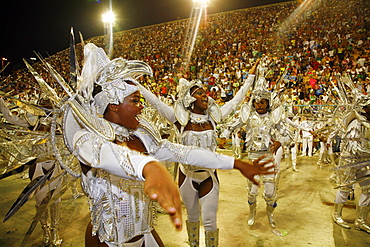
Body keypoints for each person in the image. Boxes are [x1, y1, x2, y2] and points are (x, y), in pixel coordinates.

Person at [60, 44, 273, 247]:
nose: (141, 106)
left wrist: (234, 163)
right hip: (107, 242)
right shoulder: (86, 138)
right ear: (114, 105)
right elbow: (106, 154)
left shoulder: (141, 137)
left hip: (145, 234)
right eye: (135, 101)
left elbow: (185, 153)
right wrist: (148, 167)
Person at [136, 59, 260, 246]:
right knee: (193, 219)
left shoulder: (213, 119)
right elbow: (155, 102)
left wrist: (250, 76)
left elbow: (237, 100)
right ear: (190, 99)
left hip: (209, 177)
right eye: (200, 93)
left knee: (210, 221)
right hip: (187, 177)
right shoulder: (180, 120)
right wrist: (136, 83)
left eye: (205, 93)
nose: (206, 96)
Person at [333, 79, 370, 234]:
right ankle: (337, 215)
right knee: (345, 189)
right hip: (350, 160)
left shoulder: (366, 121)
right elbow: (353, 146)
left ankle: (361, 220)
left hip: (365, 160)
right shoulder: (355, 122)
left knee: (368, 189)